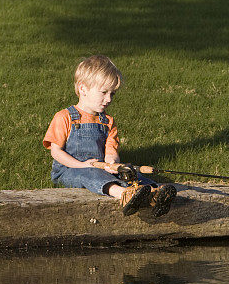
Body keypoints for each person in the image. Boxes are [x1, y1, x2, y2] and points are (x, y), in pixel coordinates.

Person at [42, 55, 177, 216]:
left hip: (99, 167)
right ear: (83, 88)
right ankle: (123, 194)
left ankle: (155, 193)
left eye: (112, 94)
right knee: (90, 174)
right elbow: (56, 152)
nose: (108, 99)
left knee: (129, 173)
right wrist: (82, 165)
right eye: (104, 92)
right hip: (70, 170)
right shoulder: (65, 117)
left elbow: (111, 150)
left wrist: (112, 163)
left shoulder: (107, 121)